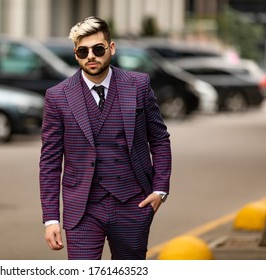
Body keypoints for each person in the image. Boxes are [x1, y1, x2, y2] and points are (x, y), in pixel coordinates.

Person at [39, 16, 172, 260]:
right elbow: (49, 161)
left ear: (111, 48)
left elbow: (160, 139)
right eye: (83, 51)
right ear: (75, 54)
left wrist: (160, 189)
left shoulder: (138, 85)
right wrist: (50, 218)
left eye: (98, 49)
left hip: (133, 203)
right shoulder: (57, 96)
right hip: (83, 209)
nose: (91, 56)